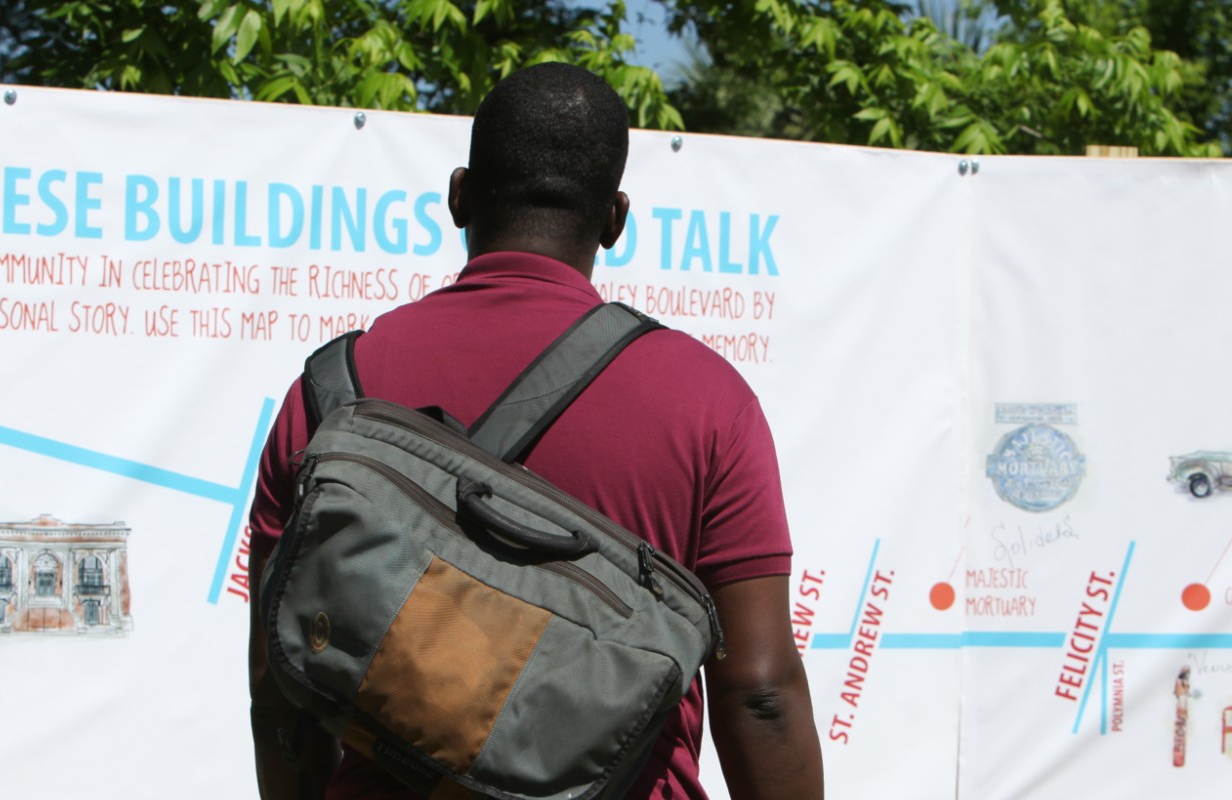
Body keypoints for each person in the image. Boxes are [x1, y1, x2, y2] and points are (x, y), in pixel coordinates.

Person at [245, 62, 823, 800]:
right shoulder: (710, 403)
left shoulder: (330, 397)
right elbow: (761, 692)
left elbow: (281, 693)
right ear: (615, 220)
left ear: (458, 196)